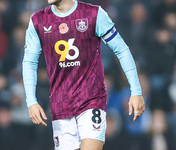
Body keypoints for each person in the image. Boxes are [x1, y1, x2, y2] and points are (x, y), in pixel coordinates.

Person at [22, 0, 145, 149]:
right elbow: (29, 61)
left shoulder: (93, 14)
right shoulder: (38, 20)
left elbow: (122, 50)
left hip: (91, 100)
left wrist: (136, 91)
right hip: (61, 104)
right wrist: (31, 101)